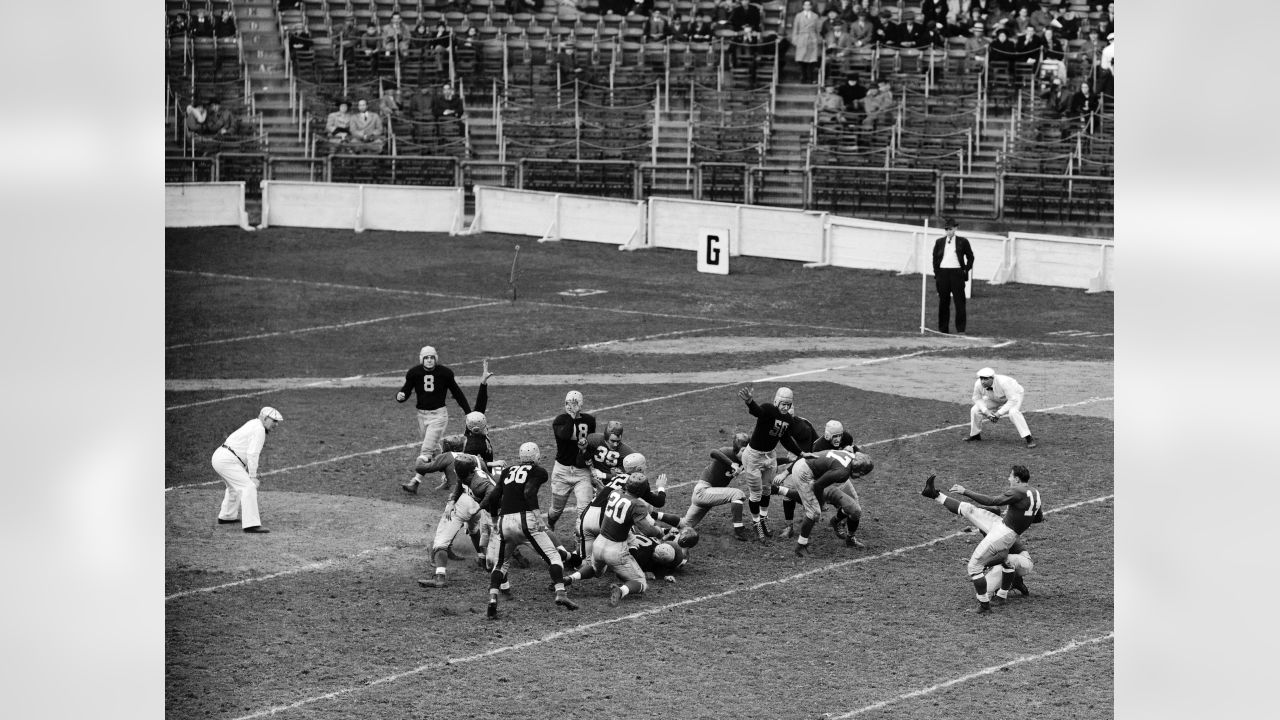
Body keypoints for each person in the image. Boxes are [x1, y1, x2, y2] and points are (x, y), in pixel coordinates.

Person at [920, 465, 1043, 613]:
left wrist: (965, 491)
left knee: (974, 567)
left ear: (1017, 479)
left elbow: (992, 501)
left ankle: (984, 605)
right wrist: (1021, 519)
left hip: (1003, 533)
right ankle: (933, 494)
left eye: (1010, 476)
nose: (1008, 479)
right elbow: (1039, 518)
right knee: (969, 509)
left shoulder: (1018, 491)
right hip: (1002, 526)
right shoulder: (1035, 492)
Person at [481, 442, 579, 617]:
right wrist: (537, 516)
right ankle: (560, 593)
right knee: (553, 557)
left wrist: (495, 519)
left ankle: (493, 599)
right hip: (525, 520)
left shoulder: (507, 471)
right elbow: (528, 492)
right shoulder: (538, 471)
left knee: (501, 564)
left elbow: (494, 496)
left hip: (504, 521)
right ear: (536, 456)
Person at [564, 471, 668, 607]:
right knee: (641, 582)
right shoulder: (638, 505)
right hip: (616, 550)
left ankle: (570, 578)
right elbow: (647, 530)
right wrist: (659, 532)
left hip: (599, 542)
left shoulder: (614, 493)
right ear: (642, 491)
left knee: (595, 569)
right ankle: (622, 590)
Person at [396, 345, 473, 492]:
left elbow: (457, 392)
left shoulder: (445, 373)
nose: (429, 360)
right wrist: (400, 396)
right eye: (427, 357)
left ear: (436, 358)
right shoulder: (414, 373)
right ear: (422, 359)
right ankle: (453, 479)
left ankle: (415, 481)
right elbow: (405, 391)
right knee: (435, 450)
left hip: (438, 416)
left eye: (432, 357)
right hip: (422, 416)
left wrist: (468, 412)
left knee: (426, 450)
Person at [735, 385, 807, 541]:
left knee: (767, 490)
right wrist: (749, 401)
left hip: (770, 456)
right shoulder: (768, 409)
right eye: (783, 404)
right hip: (754, 456)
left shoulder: (787, 418)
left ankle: (763, 518)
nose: (786, 407)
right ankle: (756, 523)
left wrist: (800, 452)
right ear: (777, 401)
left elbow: (785, 439)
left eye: (789, 404)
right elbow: (758, 412)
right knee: (756, 493)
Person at [772, 447, 872, 553]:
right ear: (857, 467)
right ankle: (801, 545)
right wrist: (821, 503)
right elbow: (818, 486)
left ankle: (848, 535)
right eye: (862, 473)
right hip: (806, 474)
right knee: (814, 512)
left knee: (855, 510)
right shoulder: (843, 472)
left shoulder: (850, 457)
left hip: (823, 479)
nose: (861, 476)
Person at [418, 453, 496, 588]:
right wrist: (452, 502)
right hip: (481, 506)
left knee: (441, 541)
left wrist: (480, 507)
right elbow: (460, 484)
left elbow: (491, 491)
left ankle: (440, 577)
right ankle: (483, 559)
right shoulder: (474, 467)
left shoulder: (478, 483)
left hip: (483, 507)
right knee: (475, 529)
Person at [574, 453, 668, 565]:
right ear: (639, 468)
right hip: (607, 519)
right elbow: (658, 502)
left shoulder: (618, 477)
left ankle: (570, 557)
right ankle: (637, 569)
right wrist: (661, 487)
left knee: (587, 562)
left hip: (587, 516)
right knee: (631, 542)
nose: (646, 467)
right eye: (645, 465)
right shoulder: (637, 482)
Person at [211, 407, 283, 533]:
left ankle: (227, 516)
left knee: (234, 487)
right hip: (227, 460)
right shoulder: (259, 429)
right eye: (274, 421)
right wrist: (252, 476)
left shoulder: (253, 423)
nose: (276, 425)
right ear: (265, 418)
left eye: (277, 422)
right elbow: (252, 453)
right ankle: (251, 525)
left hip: (221, 457)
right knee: (248, 486)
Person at [679, 432, 752, 540]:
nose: (747, 454)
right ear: (736, 449)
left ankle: (653, 515)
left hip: (710, 493)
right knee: (738, 494)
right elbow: (713, 452)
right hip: (703, 491)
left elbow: (763, 462)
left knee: (685, 525)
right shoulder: (728, 452)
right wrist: (732, 464)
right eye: (743, 450)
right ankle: (739, 530)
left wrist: (785, 462)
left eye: (748, 451)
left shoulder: (746, 459)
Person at [546, 390, 597, 530]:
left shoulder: (589, 420)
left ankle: (580, 539)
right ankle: (550, 524)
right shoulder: (560, 420)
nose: (570, 406)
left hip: (582, 471)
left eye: (573, 403)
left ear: (580, 404)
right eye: (567, 403)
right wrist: (573, 416)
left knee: (584, 509)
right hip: (562, 471)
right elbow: (565, 435)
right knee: (556, 510)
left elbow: (591, 441)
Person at [966, 366, 1037, 447]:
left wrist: (998, 413)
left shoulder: (1003, 382)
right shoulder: (978, 384)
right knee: (975, 409)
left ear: (992, 378)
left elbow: (1012, 400)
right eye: (981, 379)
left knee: (1013, 412)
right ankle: (975, 435)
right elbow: (976, 398)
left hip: (1015, 395)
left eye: (985, 379)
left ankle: (1028, 437)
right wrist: (986, 411)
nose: (983, 382)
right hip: (994, 397)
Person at [930, 217, 974, 334]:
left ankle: (960, 329)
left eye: (950, 229)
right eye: (946, 229)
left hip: (957, 273)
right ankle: (943, 329)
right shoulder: (939, 242)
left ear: (955, 228)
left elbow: (970, 257)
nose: (948, 231)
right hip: (943, 274)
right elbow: (935, 258)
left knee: (959, 302)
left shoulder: (962, 241)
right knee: (943, 302)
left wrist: (965, 270)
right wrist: (937, 273)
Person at [790, 1, 823, 83]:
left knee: (811, 60)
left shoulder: (815, 16)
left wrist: (818, 39)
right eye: (805, 4)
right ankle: (803, 76)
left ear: (811, 6)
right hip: (802, 38)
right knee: (801, 59)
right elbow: (795, 29)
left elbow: (818, 29)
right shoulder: (798, 16)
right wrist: (795, 39)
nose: (807, 6)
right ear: (803, 6)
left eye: (808, 5)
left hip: (812, 38)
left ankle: (811, 77)